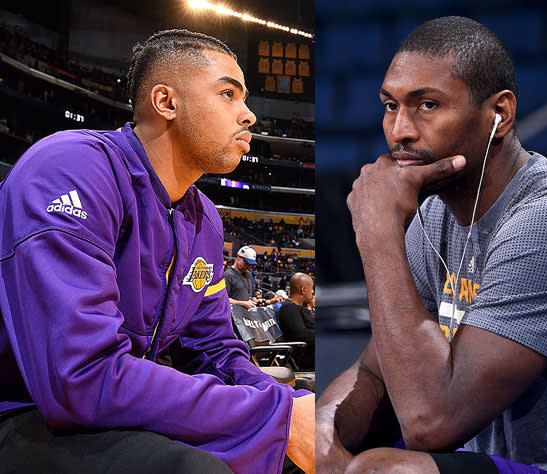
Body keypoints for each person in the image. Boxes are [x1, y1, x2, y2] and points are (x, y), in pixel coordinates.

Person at [316, 16, 547, 474]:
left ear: (499, 114)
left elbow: (431, 421)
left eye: (426, 105)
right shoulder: (437, 216)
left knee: (386, 471)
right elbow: (375, 372)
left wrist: (377, 229)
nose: (399, 129)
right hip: (489, 460)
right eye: (390, 105)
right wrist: (323, 429)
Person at [0, 29, 314, 474]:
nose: (249, 116)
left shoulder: (205, 219)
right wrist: (273, 415)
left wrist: (293, 407)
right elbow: (80, 379)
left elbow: (216, 350)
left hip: (110, 409)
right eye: (228, 94)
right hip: (21, 407)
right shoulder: (71, 168)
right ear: (165, 102)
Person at [277, 273, 315, 370]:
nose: (312, 292)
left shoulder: (297, 308)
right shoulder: (289, 308)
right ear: (303, 290)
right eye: (311, 289)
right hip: (306, 360)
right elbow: (300, 335)